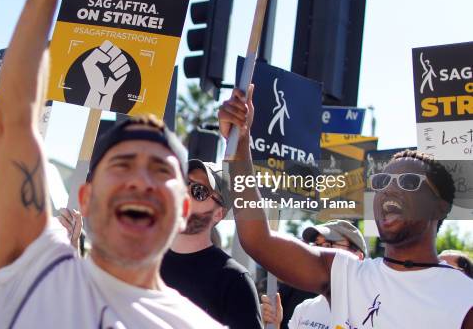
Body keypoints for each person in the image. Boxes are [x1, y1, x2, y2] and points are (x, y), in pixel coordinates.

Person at [0, 0, 221, 328]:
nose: (140, 180)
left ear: (184, 208)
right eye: (122, 164)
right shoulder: (35, 272)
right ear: (87, 195)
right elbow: (15, 122)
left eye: (161, 169)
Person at [219, 86, 473, 328]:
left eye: (408, 181)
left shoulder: (463, 298)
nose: (389, 190)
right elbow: (257, 239)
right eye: (382, 181)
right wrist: (241, 144)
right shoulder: (345, 274)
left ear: (439, 207)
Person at [160, 160, 263, 329]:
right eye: (184, 183)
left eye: (198, 191)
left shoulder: (234, 280)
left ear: (218, 214)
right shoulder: (144, 262)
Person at [262, 220, 368, 328]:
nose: (320, 253)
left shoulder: (374, 309)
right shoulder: (305, 308)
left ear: (358, 257)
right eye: (317, 245)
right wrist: (275, 325)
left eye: (328, 245)